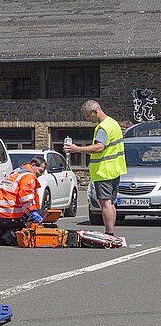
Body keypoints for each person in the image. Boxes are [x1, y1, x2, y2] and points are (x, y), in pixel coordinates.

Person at [64, 100, 126, 235]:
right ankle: (111, 231)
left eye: (87, 116)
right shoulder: (113, 123)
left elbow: (99, 147)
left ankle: (109, 233)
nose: (87, 119)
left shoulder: (102, 127)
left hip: (104, 170)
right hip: (115, 169)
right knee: (111, 202)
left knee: (105, 203)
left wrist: (77, 149)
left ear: (95, 111)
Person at [0, 157, 46, 246]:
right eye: (40, 171)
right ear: (33, 165)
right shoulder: (28, 176)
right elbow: (25, 196)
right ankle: (13, 234)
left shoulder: (15, 173)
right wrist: (33, 212)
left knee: (2, 230)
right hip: (12, 216)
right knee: (41, 212)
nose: (40, 174)